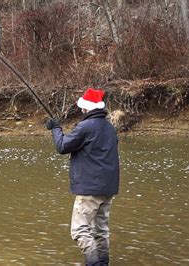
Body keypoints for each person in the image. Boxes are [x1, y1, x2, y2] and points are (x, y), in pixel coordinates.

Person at [46, 88, 120, 266]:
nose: (80, 110)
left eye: (82, 108)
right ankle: (103, 263)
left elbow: (62, 146)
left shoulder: (86, 126)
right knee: (100, 230)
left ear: (87, 108)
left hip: (90, 189)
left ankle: (94, 264)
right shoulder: (109, 128)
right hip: (107, 188)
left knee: (79, 231)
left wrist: (55, 128)